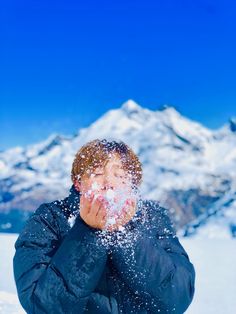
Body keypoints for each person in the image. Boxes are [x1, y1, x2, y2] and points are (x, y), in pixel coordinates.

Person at [13, 139, 195, 314]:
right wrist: (88, 232)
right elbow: (41, 306)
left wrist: (127, 234)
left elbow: (176, 300)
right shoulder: (50, 219)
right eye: (97, 173)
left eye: (120, 175)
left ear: (133, 184)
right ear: (78, 183)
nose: (109, 184)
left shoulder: (152, 217)